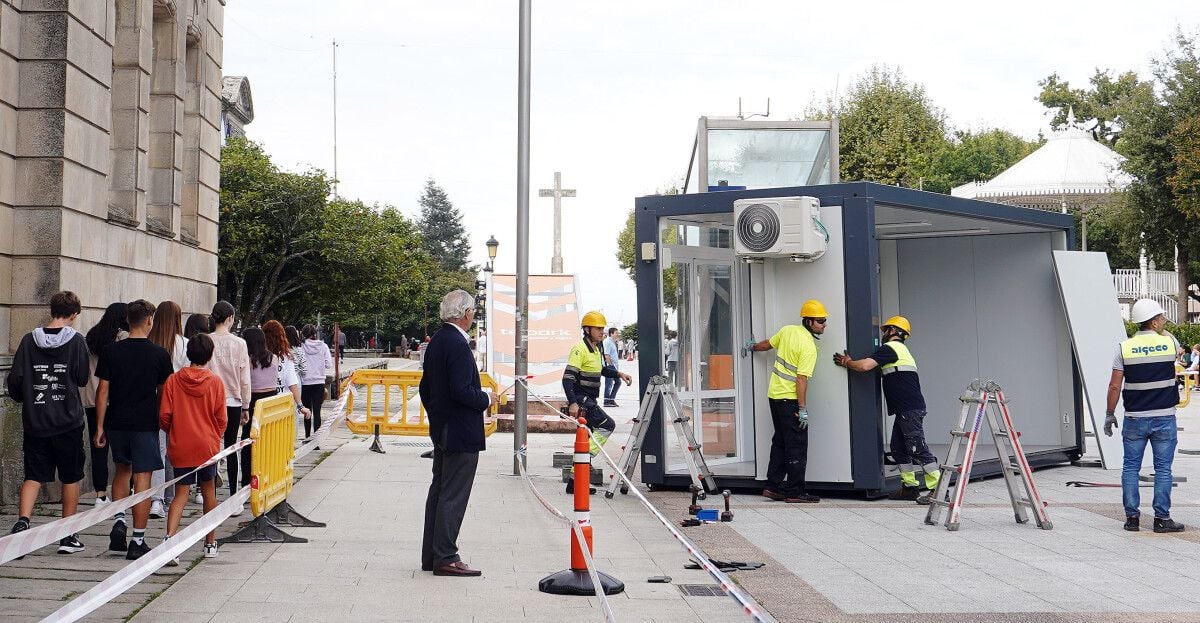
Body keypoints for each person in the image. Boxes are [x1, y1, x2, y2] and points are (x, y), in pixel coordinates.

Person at [7, 292, 91, 554]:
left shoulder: (28, 340)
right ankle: (67, 534)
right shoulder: (77, 341)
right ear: (74, 314)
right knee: (70, 476)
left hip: (36, 420)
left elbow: (16, 379)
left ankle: (23, 522)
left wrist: (29, 399)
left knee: (33, 475)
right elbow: (80, 377)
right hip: (67, 420)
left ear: (51, 310)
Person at [419, 290, 495, 577]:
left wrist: (437, 416)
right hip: (460, 430)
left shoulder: (438, 341)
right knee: (453, 494)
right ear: (465, 314)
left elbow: (425, 389)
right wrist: (486, 398)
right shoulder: (459, 344)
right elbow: (462, 391)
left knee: (439, 491)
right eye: (472, 312)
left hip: (442, 429)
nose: (473, 316)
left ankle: (433, 554)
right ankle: (446, 556)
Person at [94, 299, 174, 560]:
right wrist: (165, 422)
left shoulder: (110, 351)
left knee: (121, 471)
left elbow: (102, 390)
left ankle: (119, 519)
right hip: (145, 423)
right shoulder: (160, 354)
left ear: (128, 320)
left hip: (116, 421)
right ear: (150, 320)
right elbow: (164, 393)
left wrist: (99, 426)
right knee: (143, 480)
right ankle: (137, 540)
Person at [833, 316, 941, 503]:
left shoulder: (891, 348)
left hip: (909, 409)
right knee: (899, 449)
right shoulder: (900, 350)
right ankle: (909, 488)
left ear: (894, 331)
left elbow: (865, 366)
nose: (883, 334)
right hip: (906, 409)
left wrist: (847, 362)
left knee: (917, 448)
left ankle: (937, 489)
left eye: (886, 330)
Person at [1105, 298, 1185, 533]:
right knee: (1163, 469)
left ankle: (1132, 519)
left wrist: (1110, 413)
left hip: (1134, 418)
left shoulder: (1123, 348)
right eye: (1161, 317)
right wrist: (1160, 329)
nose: (1163, 321)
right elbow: (1173, 341)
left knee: (1130, 468)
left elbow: (1113, 386)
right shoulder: (1169, 344)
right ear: (1153, 320)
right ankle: (1161, 519)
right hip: (1164, 418)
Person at [744, 298, 826, 504]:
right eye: (821, 321)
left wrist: (753, 346)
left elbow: (767, 345)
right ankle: (795, 492)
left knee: (780, 441)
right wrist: (803, 408)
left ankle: (773, 487)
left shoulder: (787, 330)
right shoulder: (808, 347)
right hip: (790, 400)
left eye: (824, 321)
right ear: (809, 322)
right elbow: (801, 380)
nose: (824, 324)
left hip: (774, 396)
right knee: (796, 444)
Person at [159, 334, 226, 564]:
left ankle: (170, 542)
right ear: (209, 356)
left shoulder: (173, 381)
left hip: (181, 444)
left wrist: (173, 431)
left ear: (188, 354)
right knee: (208, 492)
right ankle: (209, 543)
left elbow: (164, 416)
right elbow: (221, 418)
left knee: (181, 494)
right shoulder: (215, 383)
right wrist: (215, 436)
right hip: (207, 445)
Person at [564, 312, 632, 472]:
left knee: (587, 436)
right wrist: (573, 403)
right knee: (607, 426)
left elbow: (600, 369)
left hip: (591, 399)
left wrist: (618, 374)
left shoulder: (596, 349)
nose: (602, 331)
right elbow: (567, 379)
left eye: (603, 328)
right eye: (598, 328)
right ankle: (584, 460)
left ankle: (575, 480)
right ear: (587, 330)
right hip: (582, 400)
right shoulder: (579, 349)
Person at [81, 302, 129, 507]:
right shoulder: (123, 339)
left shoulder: (92, 336)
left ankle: (100, 493)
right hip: (115, 400)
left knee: (98, 447)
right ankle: (129, 488)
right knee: (124, 449)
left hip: (92, 400)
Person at [205, 301, 251, 512]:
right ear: (231, 318)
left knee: (211, 449)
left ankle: (209, 497)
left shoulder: (206, 341)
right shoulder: (239, 343)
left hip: (210, 400)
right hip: (232, 400)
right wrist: (246, 405)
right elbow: (244, 378)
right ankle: (234, 497)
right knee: (231, 447)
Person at [147, 301, 189, 519]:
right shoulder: (184, 345)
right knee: (172, 453)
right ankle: (169, 497)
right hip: (178, 405)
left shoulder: (149, 343)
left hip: (153, 403)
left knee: (158, 451)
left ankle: (157, 499)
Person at [300, 324, 333, 440]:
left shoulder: (301, 347)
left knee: (307, 411)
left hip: (305, 382)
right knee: (317, 411)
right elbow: (329, 364)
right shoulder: (323, 346)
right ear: (315, 334)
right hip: (319, 381)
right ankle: (317, 439)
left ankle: (307, 436)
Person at [602, 327, 621, 407]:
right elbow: (606, 356)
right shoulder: (607, 342)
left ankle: (611, 399)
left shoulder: (612, 342)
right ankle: (607, 401)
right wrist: (611, 366)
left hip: (613, 367)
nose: (618, 334)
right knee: (609, 384)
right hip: (609, 366)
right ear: (611, 334)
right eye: (616, 333)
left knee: (617, 382)